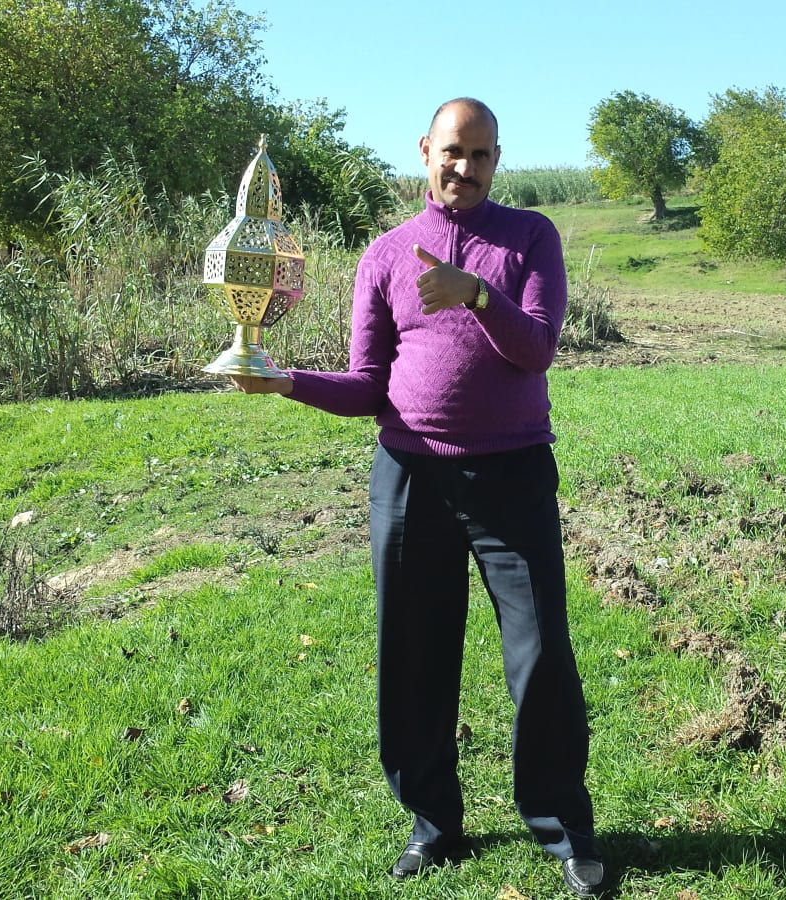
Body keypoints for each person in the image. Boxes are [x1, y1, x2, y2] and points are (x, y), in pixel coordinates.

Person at [229, 97, 605, 897]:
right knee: (413, 655)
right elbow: (369, 386)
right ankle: (432, 823)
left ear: (497, 162)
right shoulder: (386, 254)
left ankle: (562, 824)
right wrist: (284, 381)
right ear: (424, 151)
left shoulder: (530, 236)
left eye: (482, 155)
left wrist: (476, 293)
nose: (465, 168)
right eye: (452, 152)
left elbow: (536, 349)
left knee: (540, 654)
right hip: (409, 477)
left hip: (512, 474)